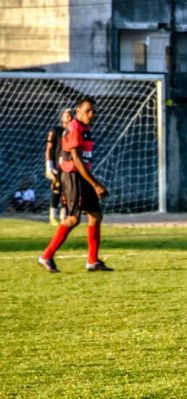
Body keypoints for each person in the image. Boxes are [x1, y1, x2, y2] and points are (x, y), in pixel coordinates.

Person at [38, 97, 113, 273]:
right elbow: (77, 161)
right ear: (78, 111)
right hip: (73, 176)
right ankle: (46, 256)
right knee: (73, 219)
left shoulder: (85, 128)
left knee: (95, 215)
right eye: (88, 111)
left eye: (94, 111)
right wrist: (96, 184)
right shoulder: (74, 128)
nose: (92, 114)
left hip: (82, 176)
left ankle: (93, 262)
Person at [44, 108, 73, 225]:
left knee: (67, 191)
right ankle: (52, 216)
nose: (69, 117)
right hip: (56, 166)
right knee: (56, 190)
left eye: (71, 115)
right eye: (67, 115)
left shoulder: (74, 131)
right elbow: (49, 149)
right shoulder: (55, 130)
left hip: (69, 166)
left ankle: (63, 216)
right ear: (62, 118)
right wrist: (49, 166)